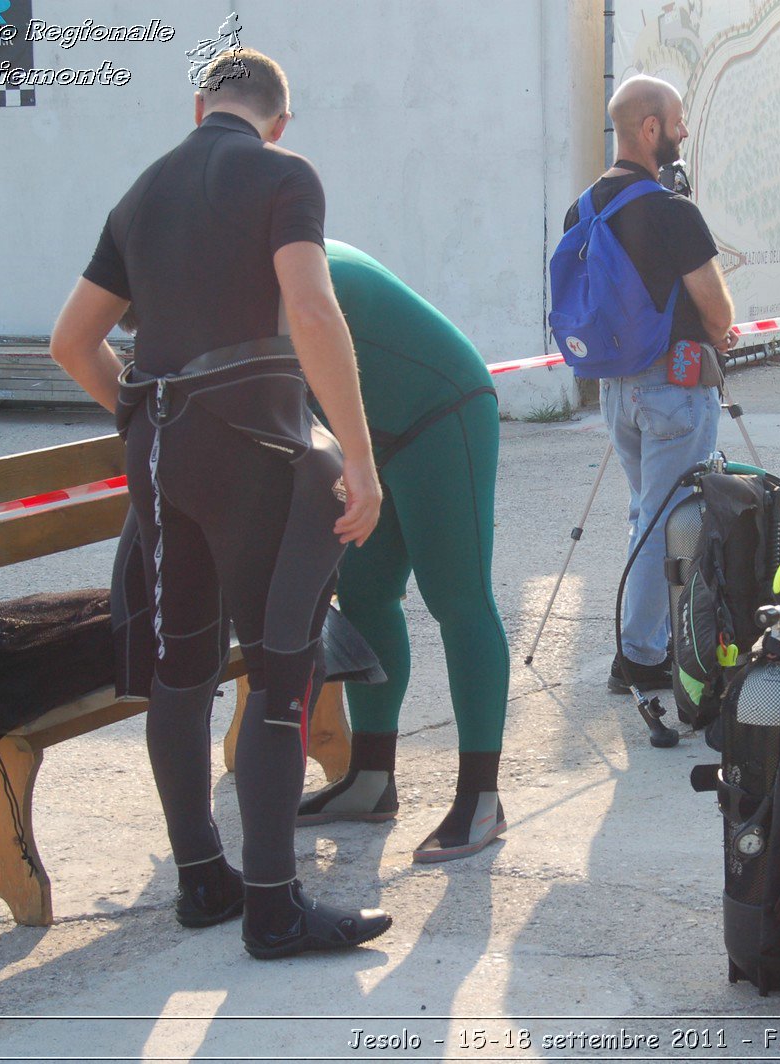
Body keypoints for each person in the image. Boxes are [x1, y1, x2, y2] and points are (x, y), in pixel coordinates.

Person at [49, 49, 392, 959]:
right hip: (251, 449)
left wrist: (141, 406)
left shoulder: (141, 194)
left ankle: (203, 878)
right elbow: (312, 311)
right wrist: (357, 457)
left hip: (160, 456)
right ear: (279, 119)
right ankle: (275, 909)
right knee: (281, 664)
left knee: (183, 667)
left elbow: (72, 342)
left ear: (199, 105)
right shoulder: (284, 174)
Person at [295, 241, 510, 863]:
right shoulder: (248, 261)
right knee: (365, 594)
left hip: (444, 412)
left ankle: (482, 798)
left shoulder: (285, 267)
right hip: (372, 436)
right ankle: (371, 777)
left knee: (458, 599)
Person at [560, 74, 736, 693]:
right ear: (650, 128)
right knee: (669, 519)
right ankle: (639, 655)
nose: (685, 131)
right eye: (679, 120)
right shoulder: (671, 210)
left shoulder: (582, 208)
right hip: (675, 389)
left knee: (647, 512)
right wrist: (721, 330)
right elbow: (716, 312)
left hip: (617, 390)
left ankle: (647, 644)